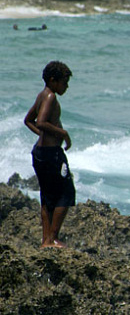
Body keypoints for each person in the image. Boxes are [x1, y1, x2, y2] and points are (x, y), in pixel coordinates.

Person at [24, 61, 75, 248]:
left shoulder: (41, 95)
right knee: (66, 193)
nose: (66, 86)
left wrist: (43, 136)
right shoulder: (51, 97)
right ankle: (52, 238)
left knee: (47, 196)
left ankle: (46, 240)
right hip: (51, 155)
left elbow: (28, 120)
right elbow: (42, 122)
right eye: (64, 82)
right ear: (53, 81)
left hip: (40, 152)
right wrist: (63, 134)